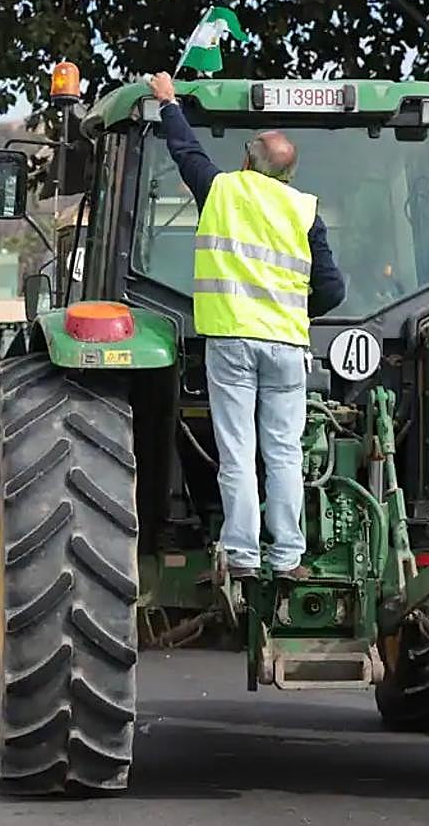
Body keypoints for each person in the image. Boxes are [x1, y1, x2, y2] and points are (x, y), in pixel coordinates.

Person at [149, 72, 346, 580]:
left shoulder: (220, 190)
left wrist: (170, 103)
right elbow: (331, 290)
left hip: (232, 343)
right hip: (285, 346)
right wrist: (296, 313)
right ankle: (288, 557)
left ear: (246, 161)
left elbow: (184, 151)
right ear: (289, 173)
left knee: (236, 451)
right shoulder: (306, 210)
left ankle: (242, 554)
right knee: (283, 453)